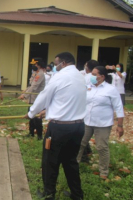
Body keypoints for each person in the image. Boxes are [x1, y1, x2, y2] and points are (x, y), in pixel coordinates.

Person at [24, 52, 86, 200]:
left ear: (63, 63)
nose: (54, 66)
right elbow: (66, 99)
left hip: (59, 128)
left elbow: (44, 96)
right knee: (71, 162)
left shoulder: (60, 76)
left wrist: (31, 113)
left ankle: (49, 193)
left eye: (56, 63)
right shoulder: (80, 76)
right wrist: (49, 111)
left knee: (50, 161)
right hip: (78, 127)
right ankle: (77, 195)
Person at [76, 66, 124, 180]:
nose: (91, 76)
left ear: (102, 76)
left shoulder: (110, 89)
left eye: (94, 74)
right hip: (87, 121)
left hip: (103, 124)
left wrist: (120, 126)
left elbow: (119, 107)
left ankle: (103, 172)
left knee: (102, 147)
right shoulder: (88, 87)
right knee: (80, 143)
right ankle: (74, 165)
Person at [19, 58, 45, 140]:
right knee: (30, 116)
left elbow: (34, 87)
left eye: (35, 64)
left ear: (38, 65)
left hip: (37, 99)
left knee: (37, 118)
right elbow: (30, 85)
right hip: (31, 99)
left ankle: (39, 136)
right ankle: (31, 133)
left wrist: (24, 95)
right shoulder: (35, 73)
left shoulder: (40, 74)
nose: (33, 66)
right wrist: (25, 91)